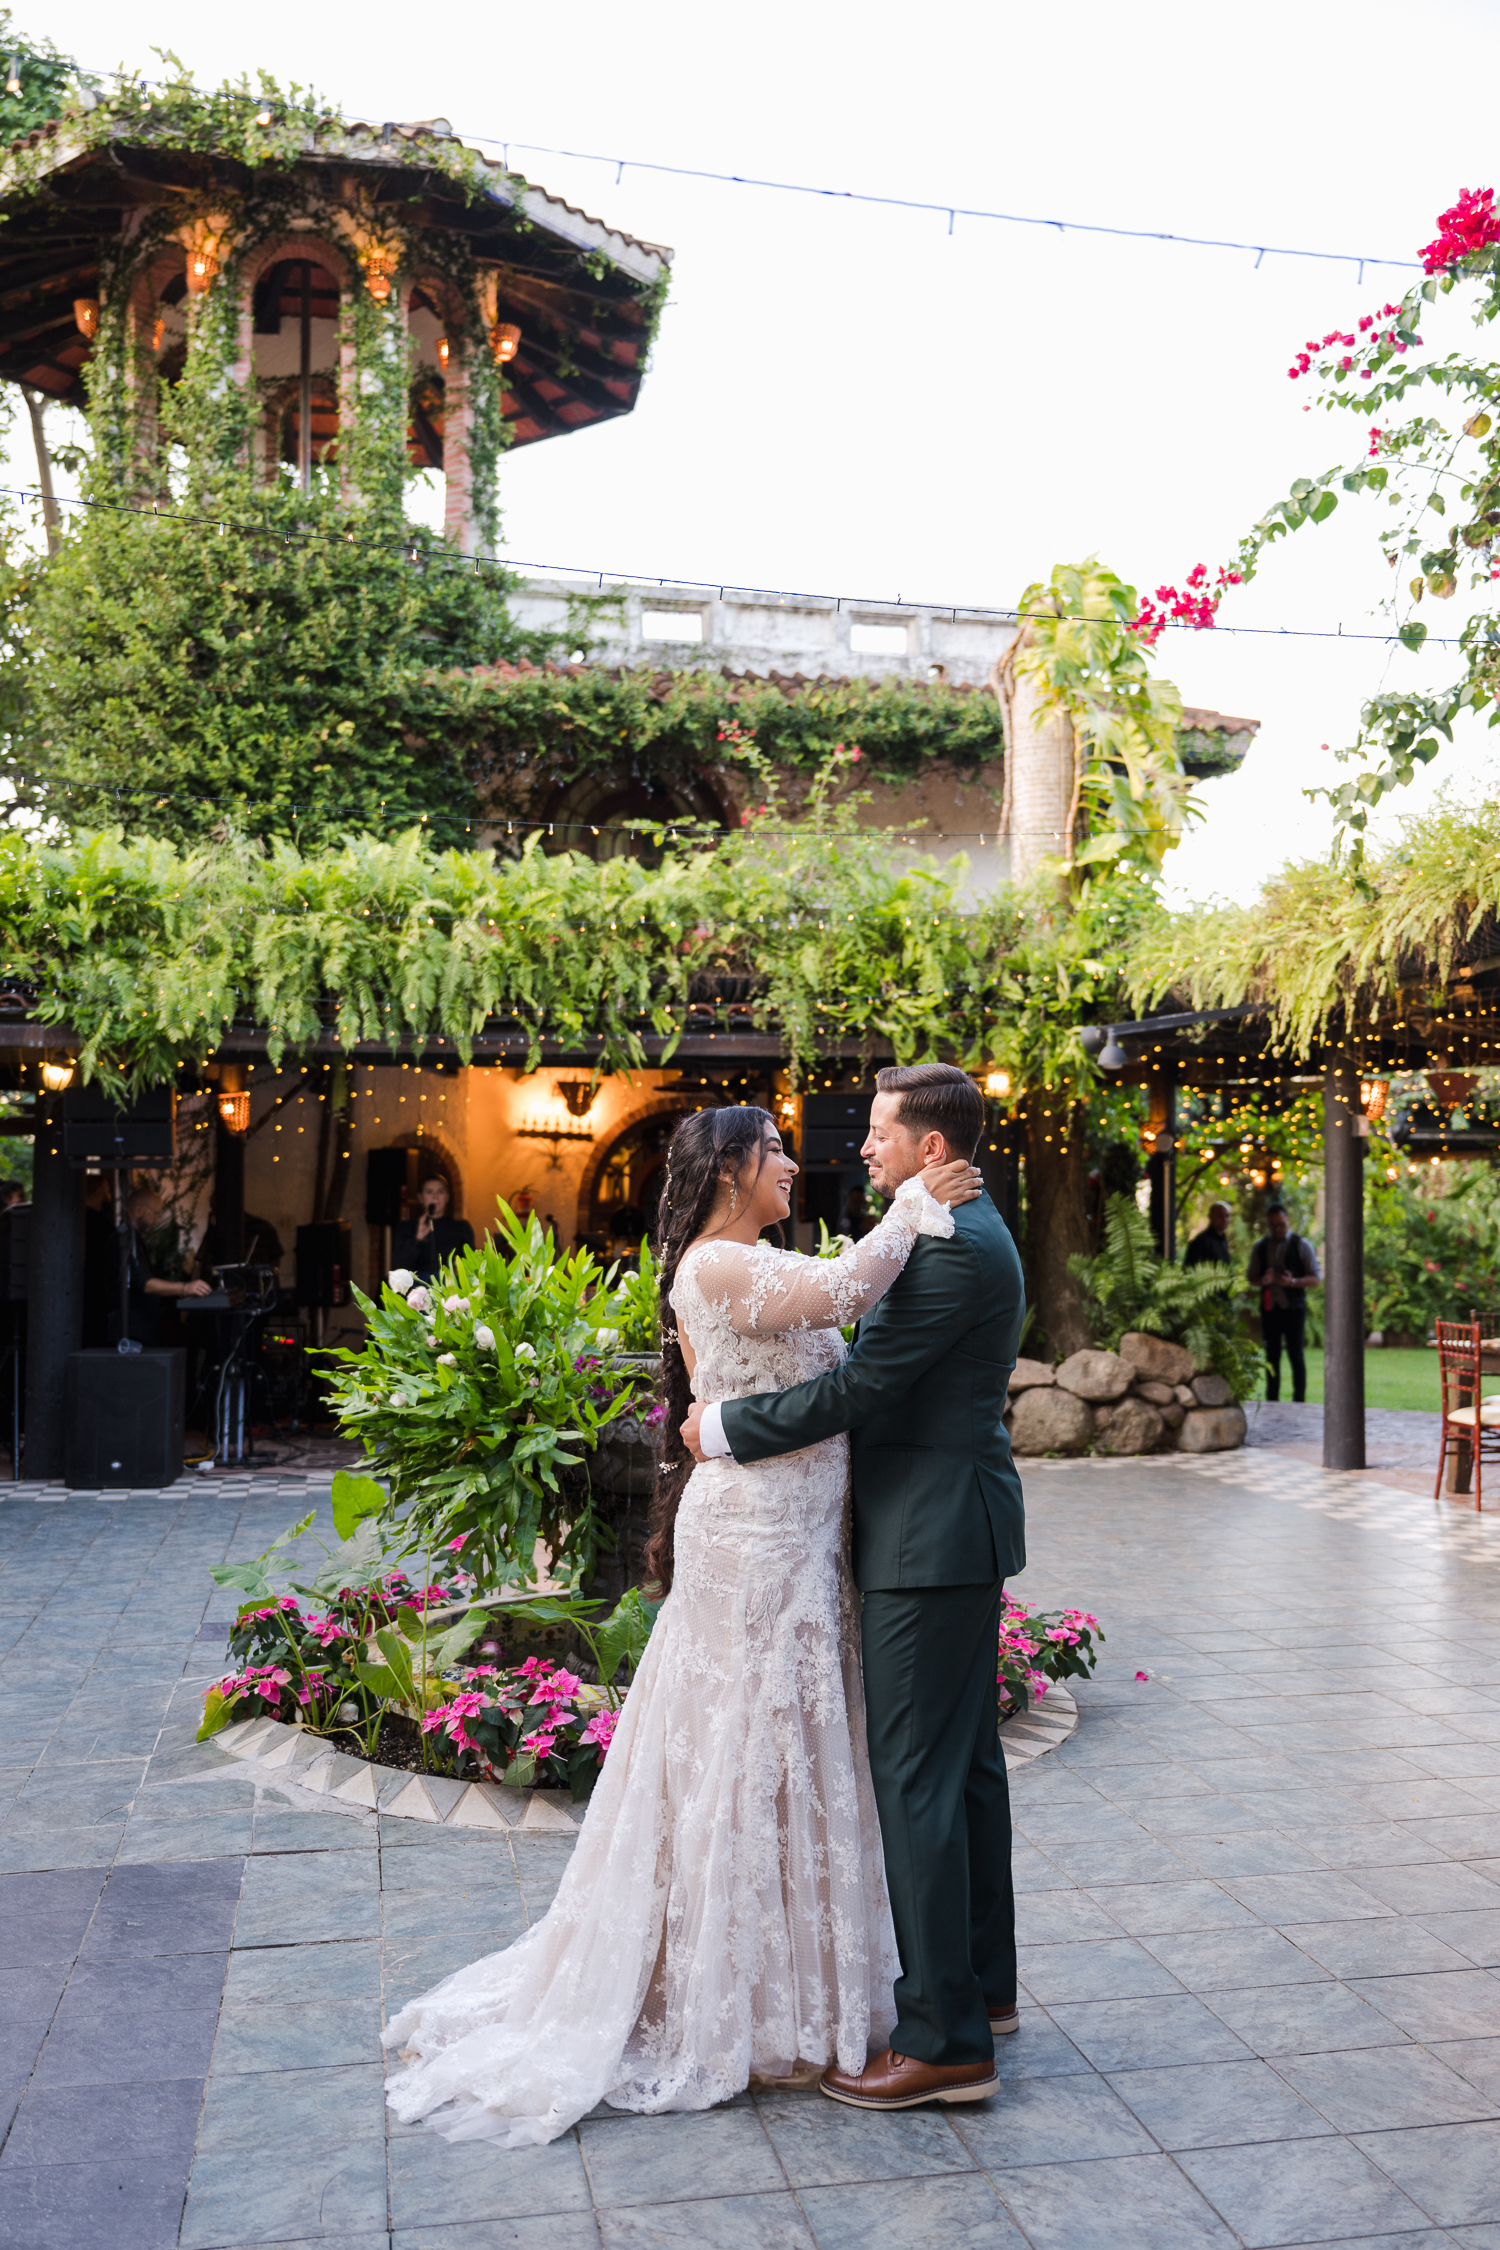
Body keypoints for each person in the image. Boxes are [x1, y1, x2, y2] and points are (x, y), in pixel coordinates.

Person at [383, 1104, 982, 2145]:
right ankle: (726, 1999)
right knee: (742, 1749)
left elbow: (829, 1311)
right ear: (730, 1171)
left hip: (800, 1539)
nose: (795, 1163)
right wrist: (915, 1204)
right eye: (777, 1152)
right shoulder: (712, 1267)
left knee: (798, 1748)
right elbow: (843, 1289)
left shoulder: (759, 1253)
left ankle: (793, 1993)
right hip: (749, 1542)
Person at [685, 1062, 1027, 2112]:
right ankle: (982, 1991)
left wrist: (727, 1429)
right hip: (947, 1531)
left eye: (879, 1132)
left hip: (926, 1541)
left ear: (930, 1149)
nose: (861, 1146)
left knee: (918, 1779)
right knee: (963, 1771)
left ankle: (944, 2043)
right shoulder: (946, 1234)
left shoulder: (951, 1249)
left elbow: (866, 1386)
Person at [110, 1184, 212, 1344]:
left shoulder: (133, 1240)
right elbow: (146, 1284)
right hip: (131, 1330)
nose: (157, 1220)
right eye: (156, 1214)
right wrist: (185, 1287)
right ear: (138, 1210)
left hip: (141, 1326)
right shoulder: (125, 1241)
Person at [1248, 1202, 1321, 1403]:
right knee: (1271, 1357)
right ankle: (1272, 1399)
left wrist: (1293, 1282)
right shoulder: (1261, 1247)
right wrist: (1265, 1280)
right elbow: (1250, 1277)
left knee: (1296, 1355)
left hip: (1294, 1309)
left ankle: (1299, 1399)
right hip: (1270, 1308)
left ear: (1287, 1220)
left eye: (1281, 1224)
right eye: (1273, 1226)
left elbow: (1316, 1279)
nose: (1278, 1229)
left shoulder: (1301, 1245)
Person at [391, 1173, 473, 1280]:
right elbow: (398, 1266)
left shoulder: (461, 1228)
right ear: (420, 1198)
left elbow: (472, 1262)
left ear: (447, 1197)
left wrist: (461, 1269)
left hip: (452, 1288)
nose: (435, 1197)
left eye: (440, 1192)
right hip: (419, 1289)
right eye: (429, 1192)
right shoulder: (407, 1228)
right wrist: (417, 1238)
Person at [1184, 1200, 1233, 1268]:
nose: (1225, 1219)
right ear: (1210, 1216)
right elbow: (1190, 1269)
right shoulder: (1200, 1242)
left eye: (1227, 1216)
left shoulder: (1222, 1240)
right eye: (1220, 1216)